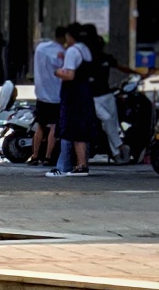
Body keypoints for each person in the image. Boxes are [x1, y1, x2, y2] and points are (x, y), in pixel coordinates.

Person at [46, 23, 96, 178]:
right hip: (84, 93)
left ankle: (70, 166)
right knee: (80, 130)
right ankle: (81, 164)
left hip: (73, 95)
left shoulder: (73, 51)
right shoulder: (84, 49)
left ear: (70, 36)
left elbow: (69, 75)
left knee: (71, 130)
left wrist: (56, 72)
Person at [84, 24, 135, 163]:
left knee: (112, 124)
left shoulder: (106, 58)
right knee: (106, 119)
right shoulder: (86, 60)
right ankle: (120, 146)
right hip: (93, 97)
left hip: (107, 94)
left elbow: (120, 67)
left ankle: (117, 154)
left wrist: (137, 72)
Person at [30, 26, 65, 166]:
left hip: (41, 94)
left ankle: (34, 156)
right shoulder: (61, 52)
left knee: (40, 126)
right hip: (56, 95)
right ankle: (48, 157)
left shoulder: (40, 48)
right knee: (54, 128)